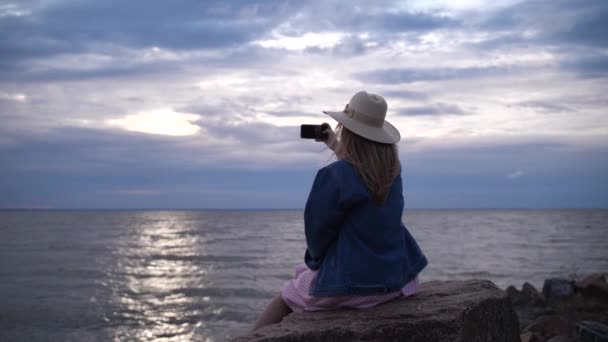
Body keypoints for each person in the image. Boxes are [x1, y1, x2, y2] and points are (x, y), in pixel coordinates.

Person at [251, 90, 428, 331]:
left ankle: (250, 338)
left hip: (356, 286)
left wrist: (315, 260)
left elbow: (317, 233)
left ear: (347, 131)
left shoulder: (333, 176)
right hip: (396, 280)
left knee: (287, 295)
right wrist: (332, 143)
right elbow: (360, 171)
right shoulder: (391, 172)